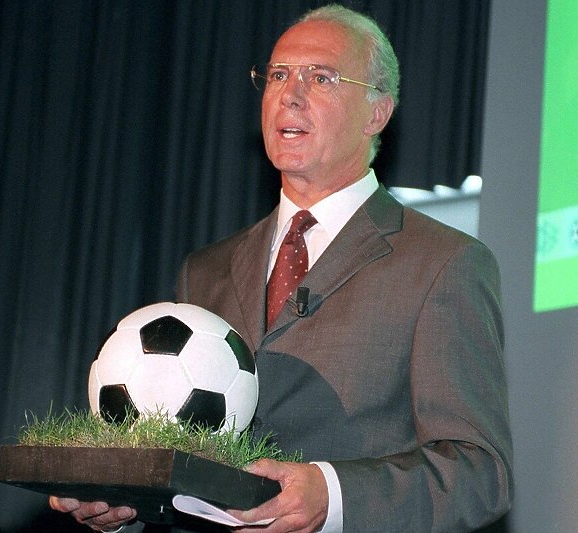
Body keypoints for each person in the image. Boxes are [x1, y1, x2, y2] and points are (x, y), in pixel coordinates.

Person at [51, 4, 513, 532]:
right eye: (277, 75)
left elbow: (480, 474)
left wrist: (333, 495)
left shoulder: (443, 263)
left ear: (376, 113)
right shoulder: (206, 270)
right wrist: (123, 506)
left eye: (321, 77)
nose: (290, 94)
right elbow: (180, 463)